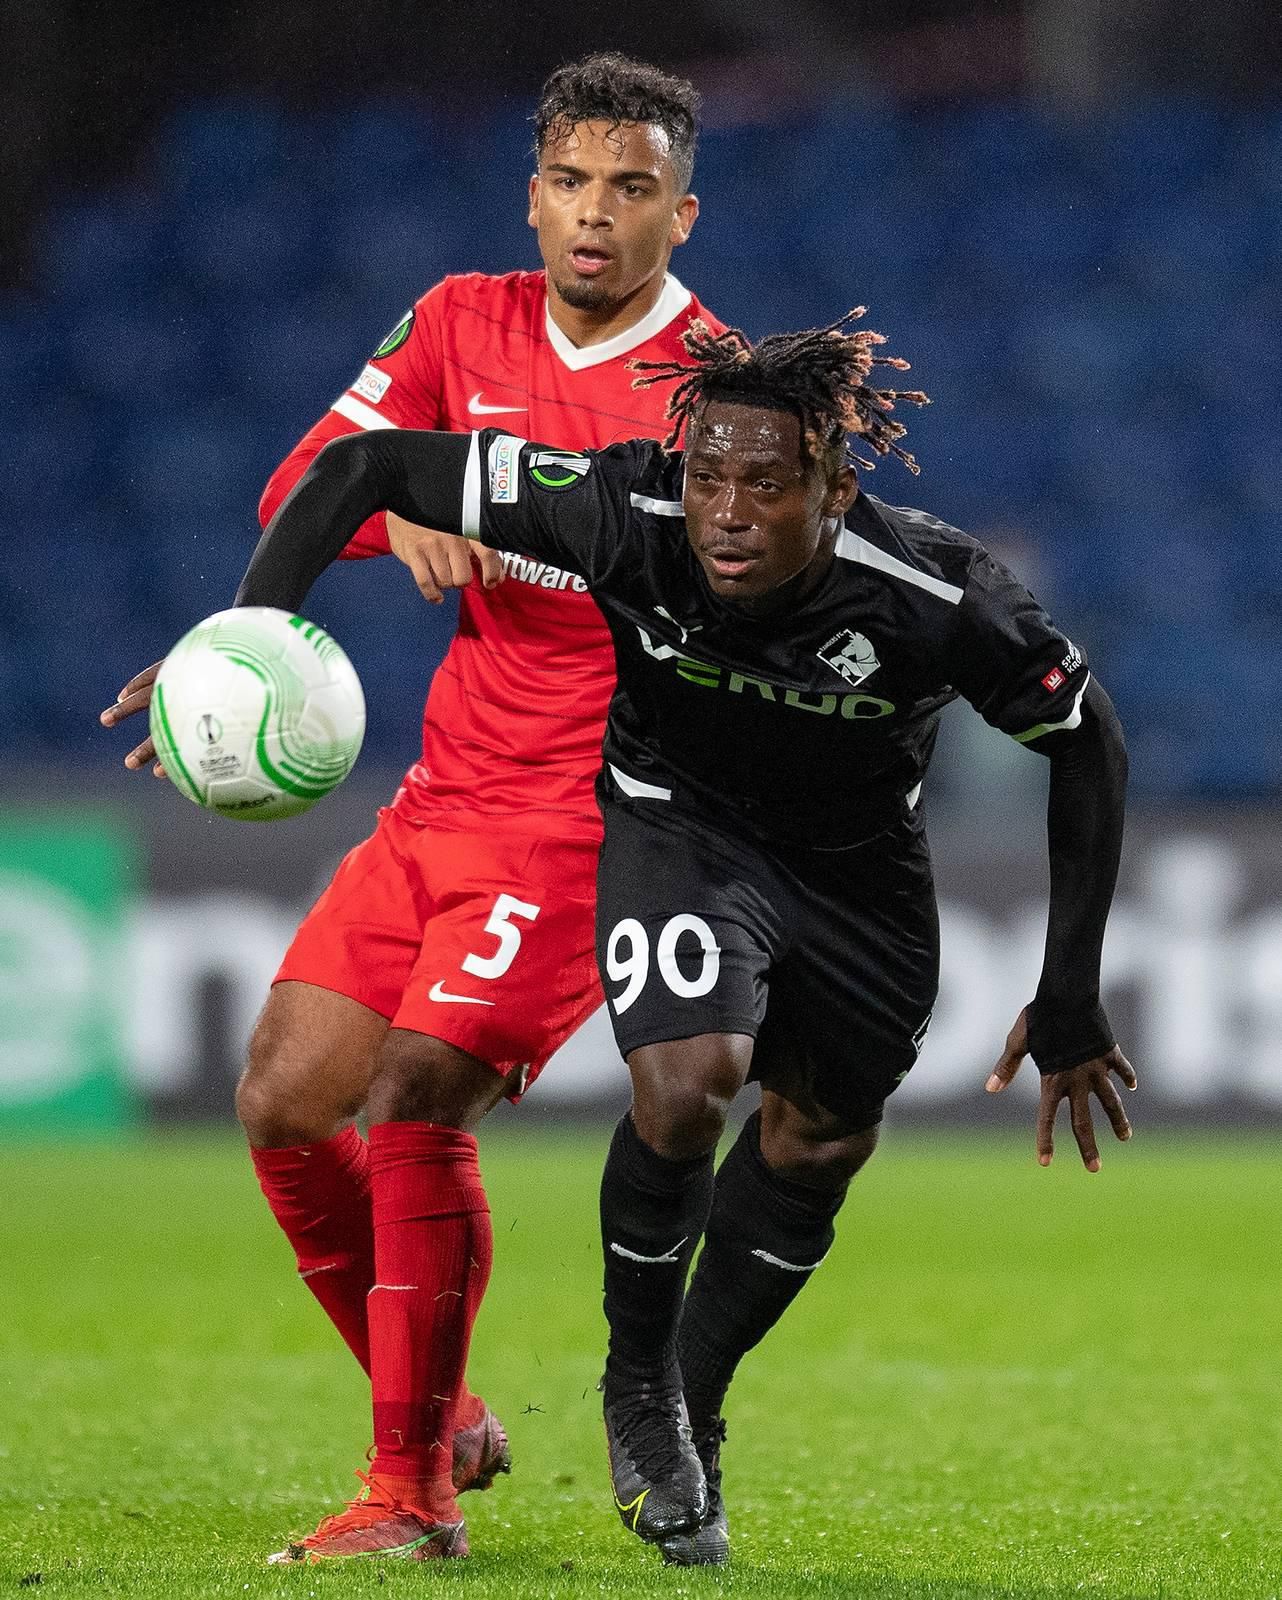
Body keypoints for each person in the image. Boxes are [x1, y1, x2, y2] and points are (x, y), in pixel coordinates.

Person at [235, 305, 1138, 1567]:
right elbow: (364, 465)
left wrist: (1070, 991)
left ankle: (689, 1398)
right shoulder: (627, 507)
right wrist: (246, 642)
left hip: (855, 875)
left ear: (833, 489)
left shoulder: (939, 593)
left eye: (765, 485)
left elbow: (1086, 745)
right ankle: (638, 1389)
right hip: (679, 831)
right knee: (684, 1084)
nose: (725, 511)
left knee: (823, 1135)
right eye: (707, 475)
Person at [99, 53, 725, 1564]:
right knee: (282, 1099)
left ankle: (409, 1495)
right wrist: (392, 512)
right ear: (532, 196)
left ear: (681, 216)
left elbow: (732, 615)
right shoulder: (459, 320)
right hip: (445, 793)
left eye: (630, 187)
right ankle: (444, 1414)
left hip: (588, 815)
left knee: (413, 1098)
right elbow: (300, 487)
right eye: (569, 182)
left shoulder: (717, 395)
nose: (594, 213)